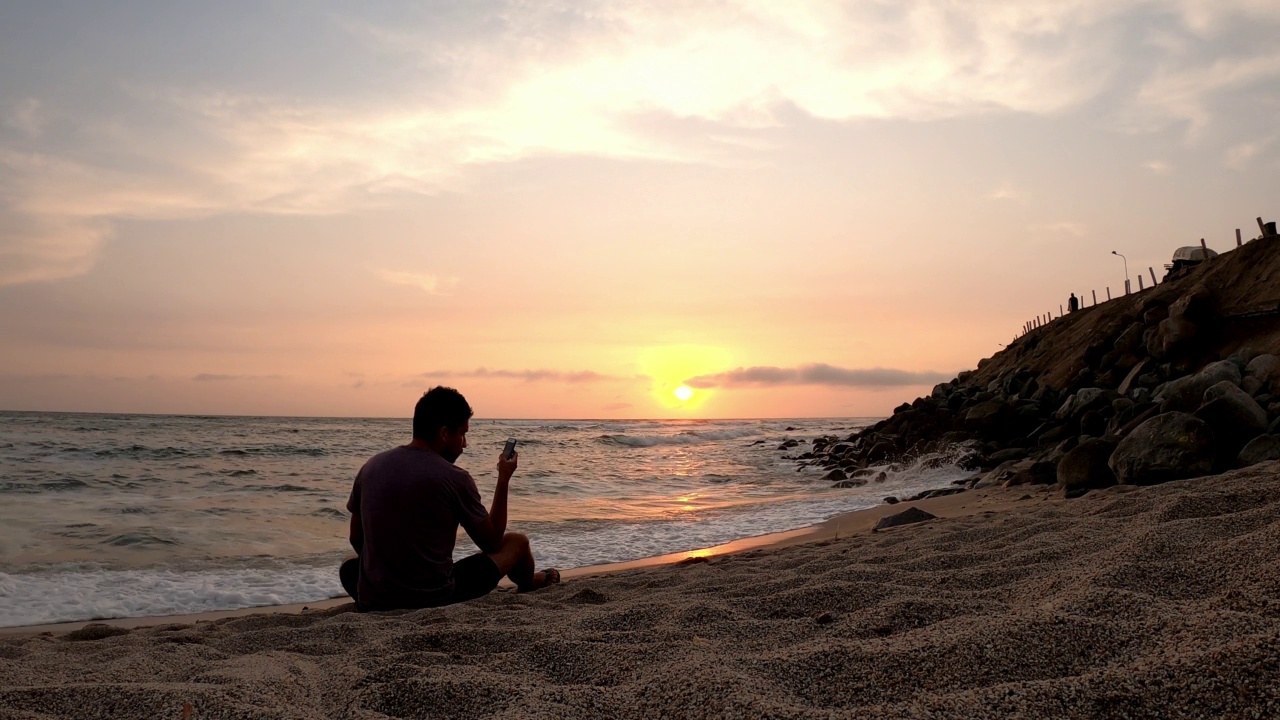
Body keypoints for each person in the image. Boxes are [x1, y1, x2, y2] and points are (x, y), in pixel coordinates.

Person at [339, 387, 559, 610]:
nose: (465, 444)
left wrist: (391, 572)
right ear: (444, 434)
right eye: (462, 434)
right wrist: (503, 479)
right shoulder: (454, 478)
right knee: (517, 542)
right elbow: (491, 541)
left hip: (375, 598)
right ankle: (528, 583)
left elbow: (357, 539)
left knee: (349, 563)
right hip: (435, 597)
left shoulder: (371, 467)